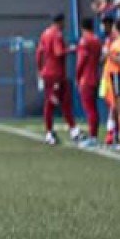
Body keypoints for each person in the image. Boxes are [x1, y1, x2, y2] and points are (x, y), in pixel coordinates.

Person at [38, 15, 72, 145]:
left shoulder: (45, 33)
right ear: (60, 21)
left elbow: (39, 52)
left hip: (48, 72)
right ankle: (49, 133)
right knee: (53, 102)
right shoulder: (57, 34)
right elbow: (58, 52)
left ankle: (72, 129)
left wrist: (40, 69)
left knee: (61, 101)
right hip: (56, 73)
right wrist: (71, 49)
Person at [75, 27, 103, 146]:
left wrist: (77, 76)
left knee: (89, 109)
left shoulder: (84, 40)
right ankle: (94, 135)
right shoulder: (97, 40)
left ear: (83, 28)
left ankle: (93, 137)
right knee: (93, 109)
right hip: (96, 77)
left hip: (86, 79)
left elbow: (81, 60)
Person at [102, 17, 120, 147]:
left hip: (119, 75)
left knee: (119, 108)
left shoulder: (119, 43)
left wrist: (109, 55)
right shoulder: (117, 41)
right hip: (116, 75)